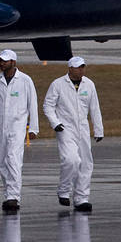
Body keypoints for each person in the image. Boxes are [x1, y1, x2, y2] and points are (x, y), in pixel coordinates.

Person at [0, 49, 39, 212]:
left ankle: (14, 197)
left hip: (17, 128)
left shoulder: (25, 80)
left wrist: (33, 128)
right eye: (0, 61)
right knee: (3, 162)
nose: (1, 63)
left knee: (13, 159)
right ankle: (8, 195)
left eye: (5, 61)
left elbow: (32, 105)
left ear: (14, 62)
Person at [42, 55, 103, 212]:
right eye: (78, 67)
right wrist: (56, 123)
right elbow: (48, 106)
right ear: (70, 69)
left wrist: (98, 129)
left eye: (83, 66)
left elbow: (94, 108)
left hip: (82, 128)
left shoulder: (89, 84)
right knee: (71, 160)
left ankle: (81, 198)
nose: (81, 70)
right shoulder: (58, 84)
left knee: (85, 164)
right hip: (65, 128)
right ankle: (63, 191)